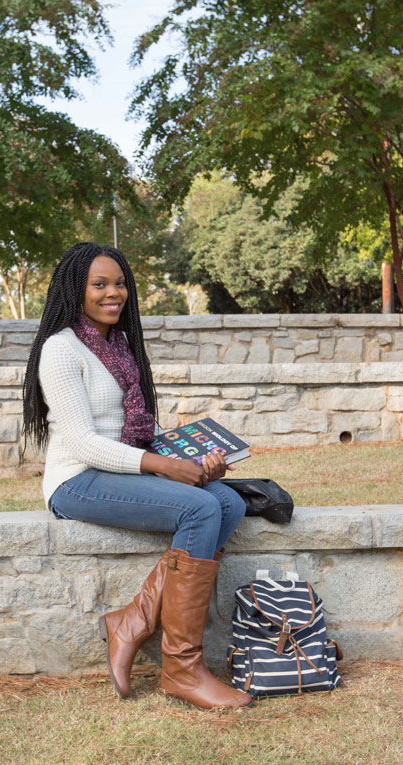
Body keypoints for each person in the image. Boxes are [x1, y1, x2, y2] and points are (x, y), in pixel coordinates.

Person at [22, 241, 252, 710]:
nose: (114, 293)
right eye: (99, 284)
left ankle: (131, 621)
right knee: (202, 507)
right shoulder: (61, 350)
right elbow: (85, 442)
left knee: (230, 500)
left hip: (126, 468)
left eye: (120, 283)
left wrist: (197, 456)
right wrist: (164, 466)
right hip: (78, 480)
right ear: (75, 290)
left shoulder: (119, 345)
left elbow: (140, 428)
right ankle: (182, 669)